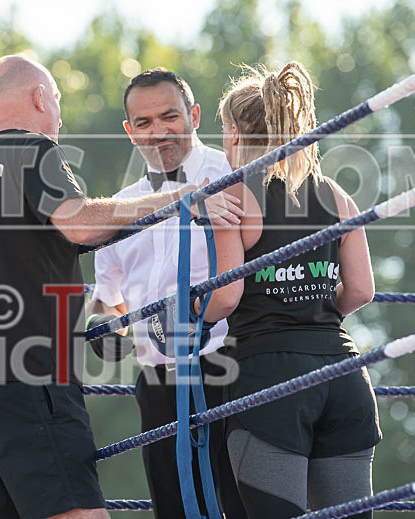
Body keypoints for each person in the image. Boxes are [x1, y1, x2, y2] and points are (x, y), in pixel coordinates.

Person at [0, 55, 241, 519]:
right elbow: (79, 225)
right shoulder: (32, 150)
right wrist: (178, 199)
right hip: (32, 373)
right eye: (56, 100)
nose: (59, 114)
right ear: (39, 97)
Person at [199, 62, 381, 518]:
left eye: (224, 130)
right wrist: (313, 311)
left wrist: (182, 318)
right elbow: (360, 291)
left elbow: (225, 297)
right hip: (343, 376)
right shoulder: (338, 195)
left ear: (236, 133)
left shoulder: (235, 195)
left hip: (269, 381)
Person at [88, 67, 246, 519]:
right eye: (144, 123)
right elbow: (107, 299)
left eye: (169, 116)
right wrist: (105, 328)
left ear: (194, 114)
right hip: (156, 382)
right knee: (174, 511)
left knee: (238, 506)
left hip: (230, 368)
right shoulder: (122, 207)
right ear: (129, 132)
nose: (159, 131)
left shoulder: (233, 172)